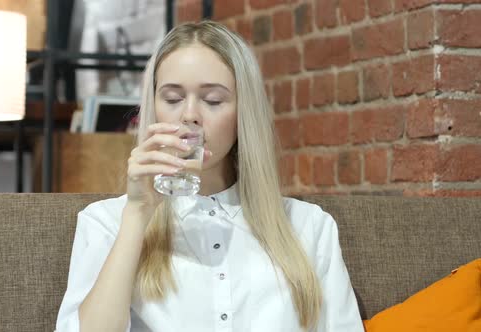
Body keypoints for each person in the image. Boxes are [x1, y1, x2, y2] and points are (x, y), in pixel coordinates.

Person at [55, 21, 363, 332]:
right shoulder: (105, 223)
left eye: (213, 100)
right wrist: (137, 214)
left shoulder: (309, 227)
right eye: (173, 99)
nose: (189, 115)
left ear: (243, 112)